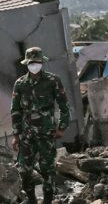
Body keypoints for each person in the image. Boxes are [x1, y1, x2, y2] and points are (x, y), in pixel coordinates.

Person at [10, 47, 70, 204]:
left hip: (46, 134)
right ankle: (31, 199)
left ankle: (48, 201)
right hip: (26, 135)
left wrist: (62, 127)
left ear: (42, 62)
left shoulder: (52, 81)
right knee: (23, 171)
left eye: (37, 62)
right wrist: (16, 135)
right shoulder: (20, 84)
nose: (35, 65)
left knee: (47, 170)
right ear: (27, 64)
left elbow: (64, 105)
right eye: (32, 63)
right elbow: (15, 110)